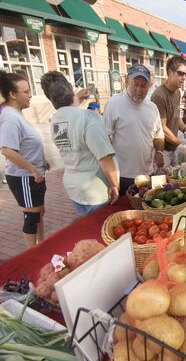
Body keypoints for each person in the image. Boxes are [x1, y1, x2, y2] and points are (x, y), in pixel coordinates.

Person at [40, 71, 119, 214]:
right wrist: (115, 184)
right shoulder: (88, 118)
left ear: (49, 98)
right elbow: (104, 157)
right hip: (95, 190)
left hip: (74, 189)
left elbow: (69, 110)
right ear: (71, 88)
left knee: (87, 229)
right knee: (101, 231)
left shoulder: (55, 121)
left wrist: (76, 98)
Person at [0, 71, 48, 248]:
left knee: (39, 212)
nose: (30, 95)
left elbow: (25, 144)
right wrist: (32, 168)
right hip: (24, 178)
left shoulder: (16, 114)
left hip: (32, 175)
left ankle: (42, 245)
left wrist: (41, 162)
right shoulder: (10, 117)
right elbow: (6, 149)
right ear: (12, 94)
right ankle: (32, 254)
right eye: (26, 91)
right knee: (32, 217)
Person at [103, 64, 165, 196]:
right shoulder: (113, 104)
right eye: (135, 84)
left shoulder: (152, 108)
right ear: (126, 81)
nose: (139, 90)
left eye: (143, 86)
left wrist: (159, 152)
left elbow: (159, 135)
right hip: (123, 174)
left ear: (149, 86)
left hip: (147, 173)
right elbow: (105, 139)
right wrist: (109, 175)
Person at [151, 56, 186, 165]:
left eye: (185, 74)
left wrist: (185, 129)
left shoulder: (177, 92)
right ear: (170, 72)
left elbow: (176, 117)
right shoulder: (159, 95)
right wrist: (180, 144)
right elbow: (162, 128)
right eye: (180, 73)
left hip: (173, 148)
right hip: (162, 151)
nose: (184, 77)